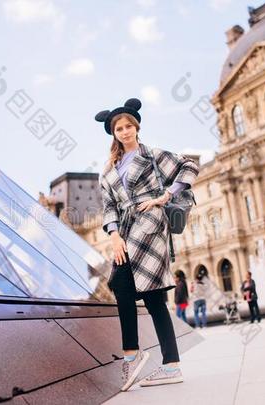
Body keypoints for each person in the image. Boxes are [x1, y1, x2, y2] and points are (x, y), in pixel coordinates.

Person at [97, 98, 199, 391]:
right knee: (147, 297)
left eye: (129, 126)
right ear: (113, 133)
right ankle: (170, 365)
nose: (125, 131)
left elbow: (189, 165)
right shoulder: (108, 171)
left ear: (136, 128)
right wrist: (114, 234)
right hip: (126, 233)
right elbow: (108, 206)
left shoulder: (153, 155)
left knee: (126, 285)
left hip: (150, 226)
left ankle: (133, 355)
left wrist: (166, 195)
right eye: (119, 128)